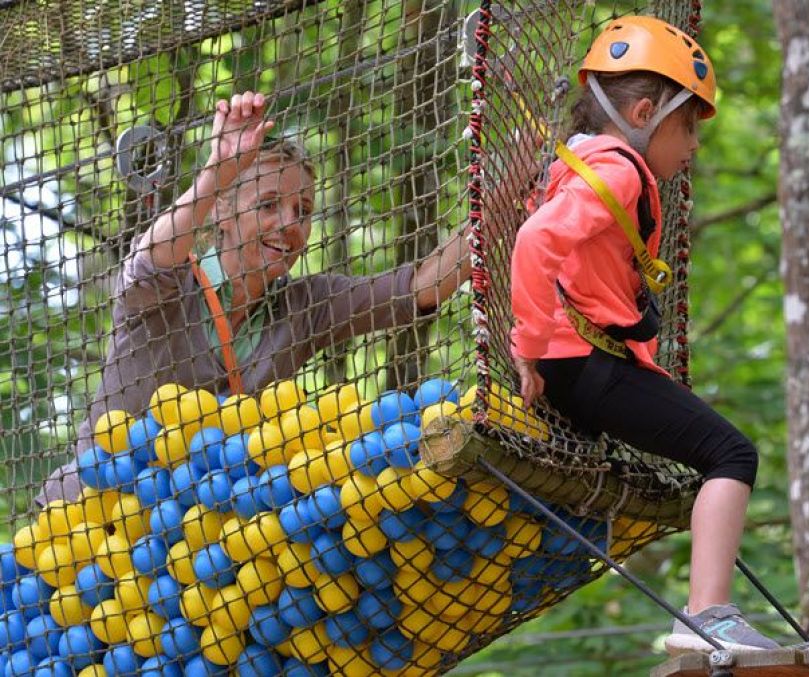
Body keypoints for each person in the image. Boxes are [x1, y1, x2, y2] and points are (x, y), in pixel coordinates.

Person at [38, 91, 534, 505]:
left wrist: (499, 191)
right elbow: (152, 254)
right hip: (84, 523)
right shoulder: (165, 287)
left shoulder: (304, 306)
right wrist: (219, 169)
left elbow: (424, 286)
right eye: (269, 205)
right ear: (222, 215)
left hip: (190, 552)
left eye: (303, 209)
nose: (290, 224)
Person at [510, 17, 779, 654]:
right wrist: (528, 346)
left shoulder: (575, 164)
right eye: (688, 126)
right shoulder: (623, 173)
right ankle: (709, 615)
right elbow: (534, 242)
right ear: (642, 111)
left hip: (580, 363)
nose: (693, 145)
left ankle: (708, 611)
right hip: (582, 366)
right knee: (732, 456)